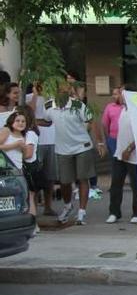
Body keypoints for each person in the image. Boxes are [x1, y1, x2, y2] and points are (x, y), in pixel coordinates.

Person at [37, 80, 107, 225]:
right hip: (62, 148)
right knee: (65, 181)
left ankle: (81, 212)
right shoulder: (49, 105)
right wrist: (33, 121)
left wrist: (99, 142)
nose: (65, 92)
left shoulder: (78, 105)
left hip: (82, 146)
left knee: (83, 178)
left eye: (67, 90)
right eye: (61, 90)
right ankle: (68, 206)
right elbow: (47, 122)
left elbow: (92, 121)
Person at [106, 87, 137, 225]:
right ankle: (114, 212)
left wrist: (129, 149)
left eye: (122, 92)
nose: (120, 95)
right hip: (119, 153)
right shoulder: (123, 110)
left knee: (136, 185)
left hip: (133, 155)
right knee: (116, 184)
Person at [26, 82, 59, 216]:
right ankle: (32, 207)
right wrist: (34, 95)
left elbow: (51, 119)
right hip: (37, 141)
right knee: (35, 174)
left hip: (52, 140)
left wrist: (38, 121)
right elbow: (29, 114)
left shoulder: (53, 98)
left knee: (50, 176)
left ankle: (48, 206)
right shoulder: (28, 96)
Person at [101, 86, 125, 157]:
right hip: (113, 139)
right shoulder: (109, 107)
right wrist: (108, 139)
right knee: (115, 162)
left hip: (125, 140)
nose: (113, 96)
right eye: (113, 94)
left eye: (115, 94)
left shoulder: (126, 106)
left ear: (121, 95)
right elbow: (105, 124)